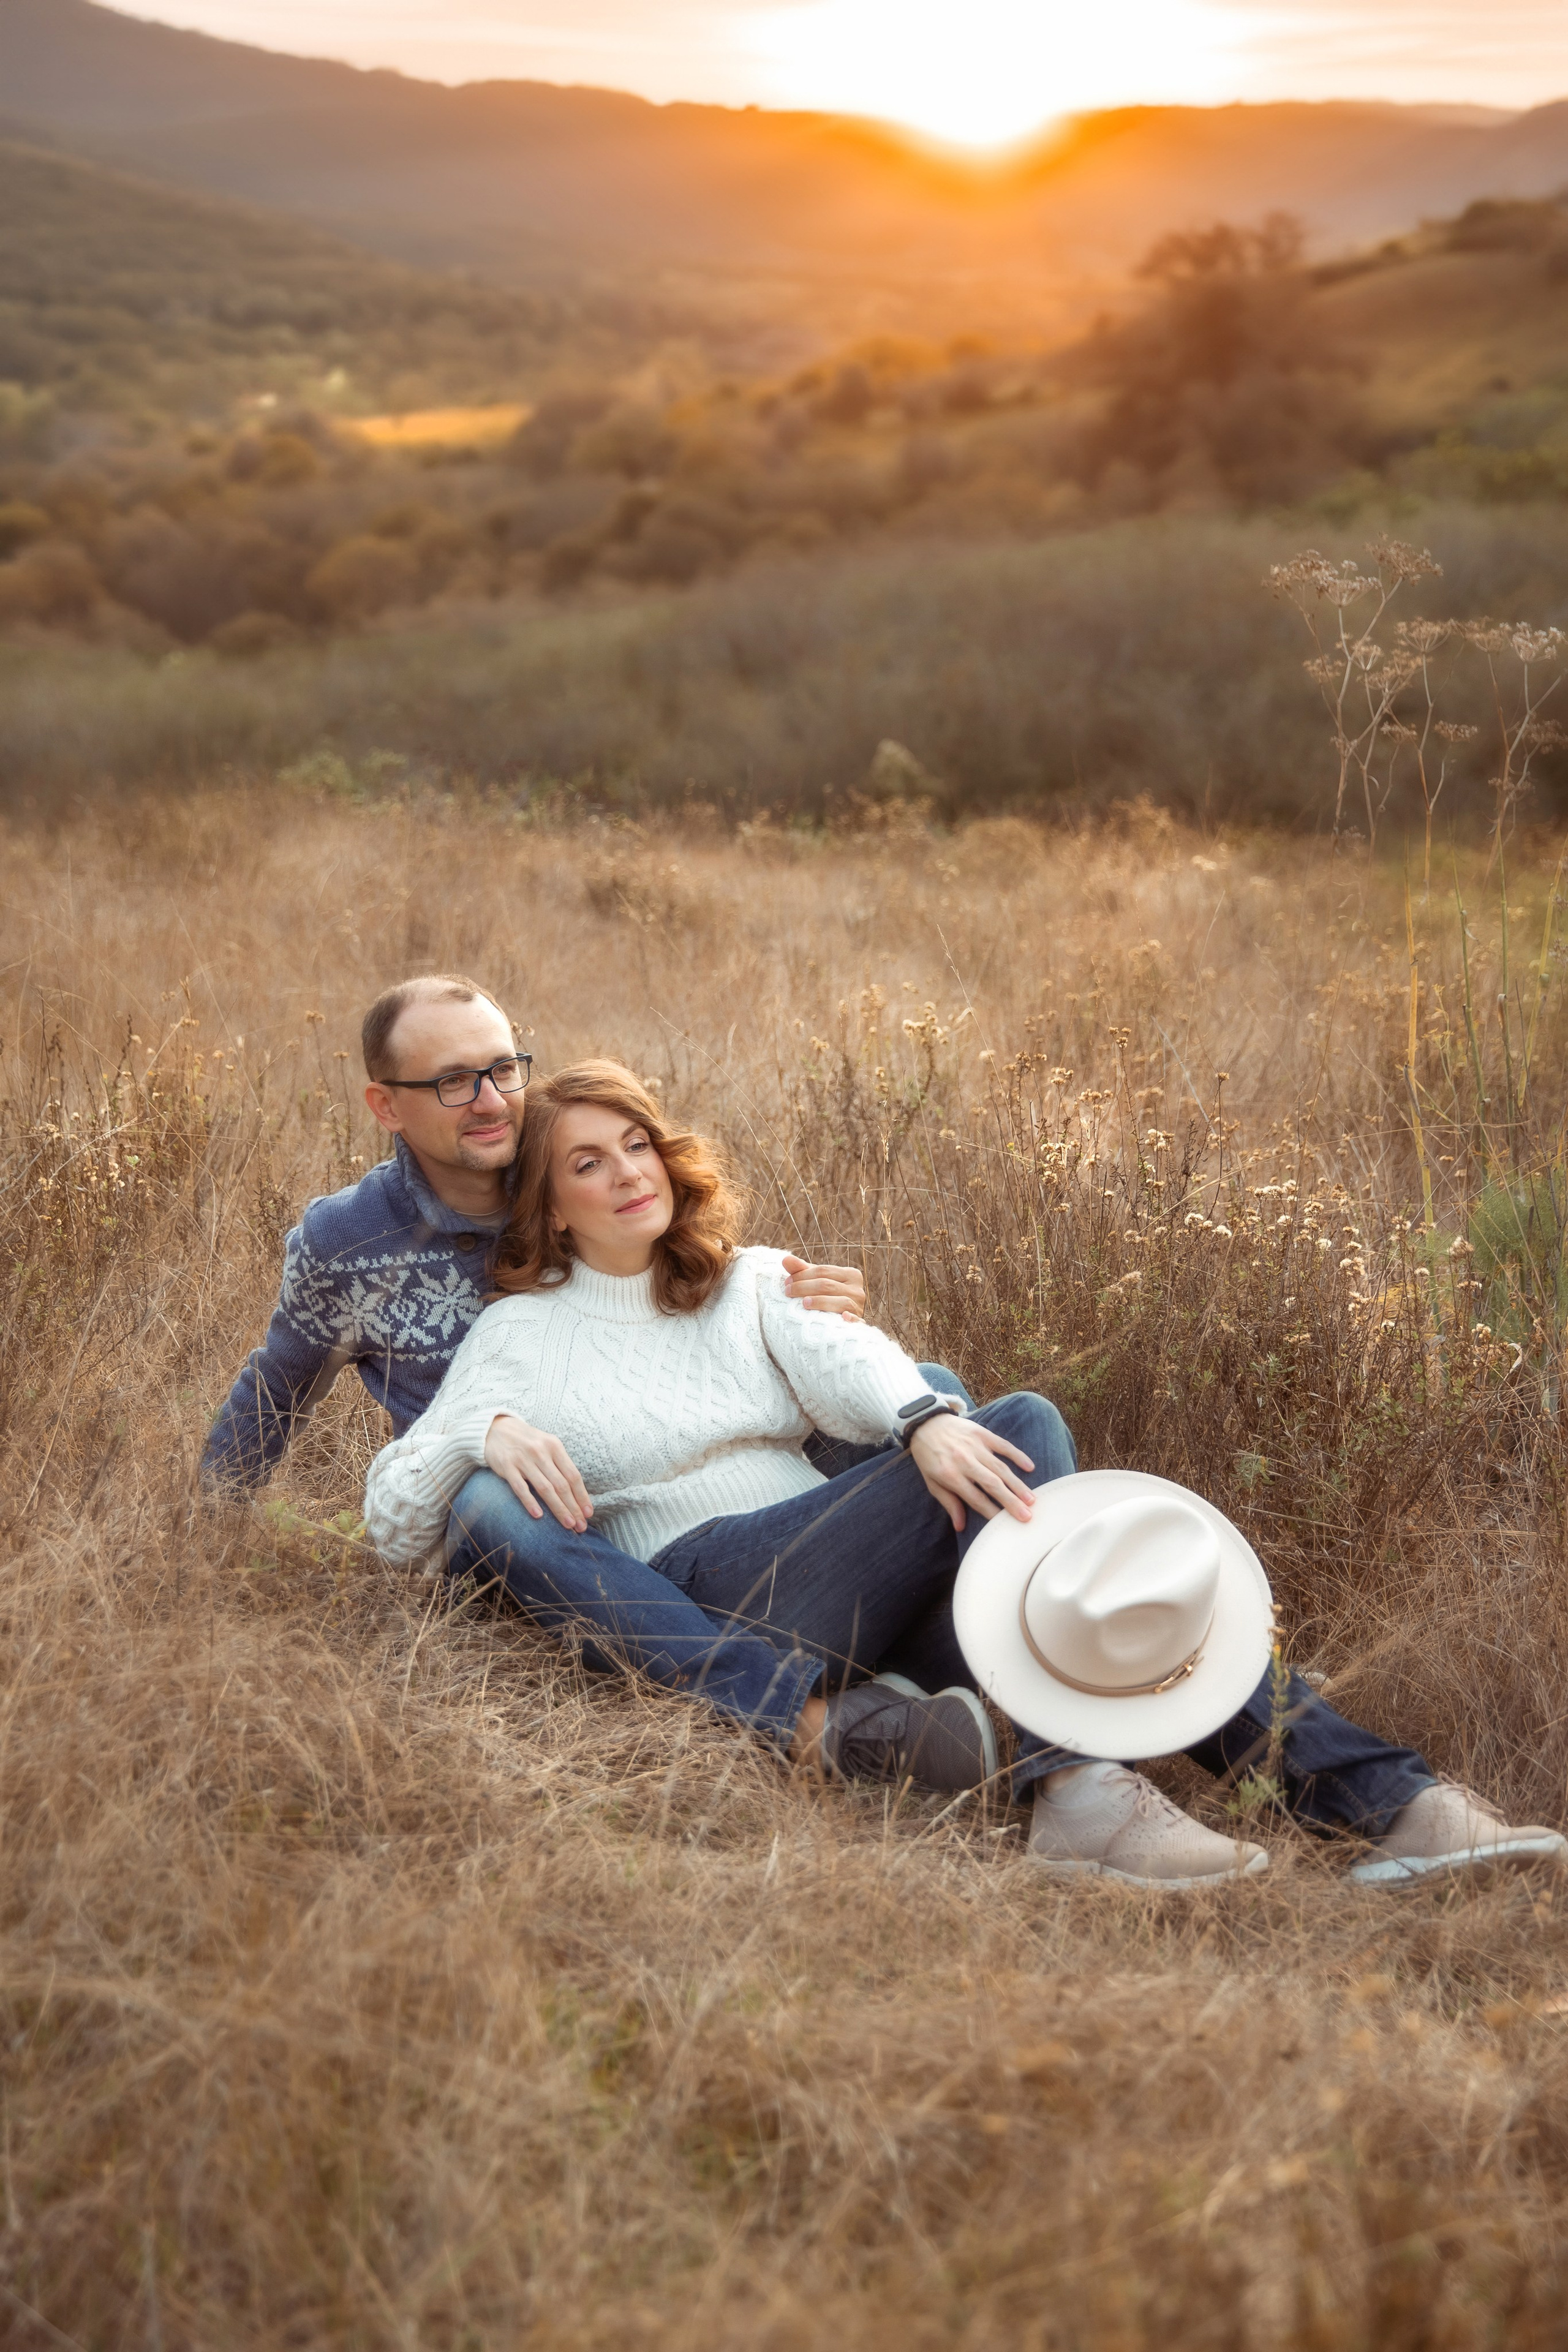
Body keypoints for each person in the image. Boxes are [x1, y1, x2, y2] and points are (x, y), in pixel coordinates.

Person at [361, 1059, 1566, 1889]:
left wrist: (922, 1418)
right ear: (551, 1207)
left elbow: (849, 1362)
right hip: (705, 1596)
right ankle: (1077, 1779)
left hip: (851, 1593)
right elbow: (395, 1515)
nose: (629, 1173)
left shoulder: (747, 1282)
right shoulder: (519, 1332)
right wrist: (478, 1436)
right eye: (587, 1163)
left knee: (1059, 1522)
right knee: (1027, 1436)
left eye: (637, 1144)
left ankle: (1380, 1806)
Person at [201, 972, 879, 1490]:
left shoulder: (576, 1168)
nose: (492, 1102)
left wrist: (789, 1304)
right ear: (387, 1106)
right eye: (453, 1083)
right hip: (515, 1515)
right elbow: (278, 1392)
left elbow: (683, 1275)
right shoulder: (348, 1242)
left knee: (913, 1402)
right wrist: (202, 1535)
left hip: (667, 1459)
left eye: (501, 1069)